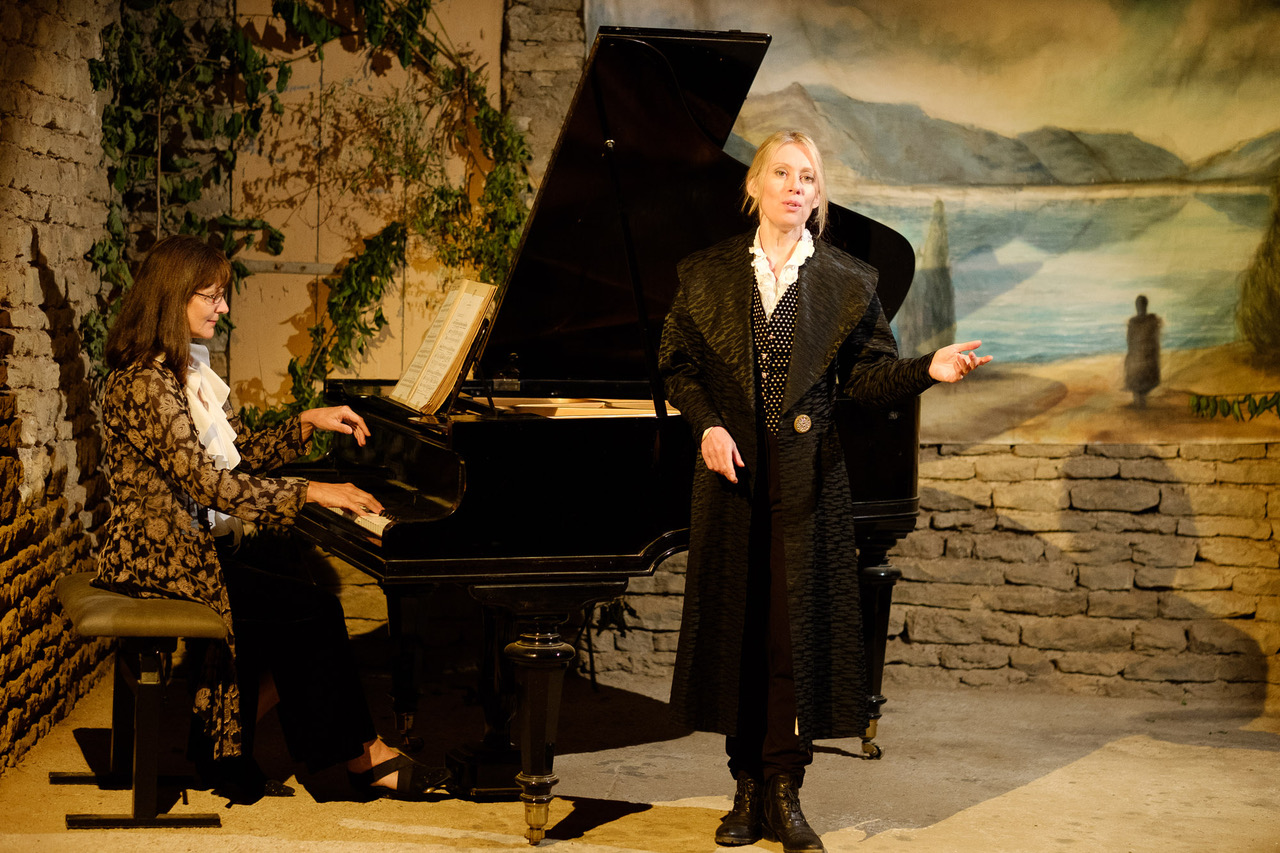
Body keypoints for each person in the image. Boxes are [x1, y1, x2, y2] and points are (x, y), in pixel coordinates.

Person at [659, 130, 990, 853]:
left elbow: (868, 379)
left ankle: (784, 786)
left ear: (818, 195)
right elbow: (678, 366)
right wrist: (707, 425)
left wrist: (927, 368)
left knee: (792, 636)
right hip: (733, 476)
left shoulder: (846, 278)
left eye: (807, 177)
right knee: (740, 630)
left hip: (807, 480)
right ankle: (745, 787)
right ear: (754, 185)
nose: (795, 187)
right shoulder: (708, 273)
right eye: (782, 173)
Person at [95, 234, 448, 804]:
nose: (223, 307)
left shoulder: (181, 371)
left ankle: (223, 748)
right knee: (311, 612)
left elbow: (233, 460)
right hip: (157, 555)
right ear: (173, 296)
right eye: (211, 296)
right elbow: (208, 483)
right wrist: (312, 491)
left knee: (292, 589)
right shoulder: (144, 381)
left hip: (188, 546)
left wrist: (305, 423)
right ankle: (362, 757)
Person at [1124, 294, 1161, 408]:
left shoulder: (1149, 321)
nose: (1139, 307)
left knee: (1139, 373)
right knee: (1135, 372)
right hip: (1140, 355)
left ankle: (1140, 401)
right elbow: (1130, 340)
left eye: (1140, 305)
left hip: (1145, 356)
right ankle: (1138, 401)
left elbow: (1154, 339)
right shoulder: (1137, 322)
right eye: (1138, 305)